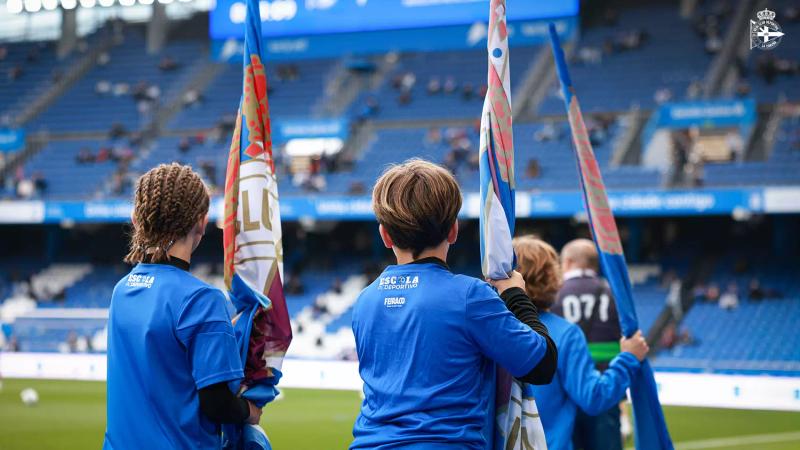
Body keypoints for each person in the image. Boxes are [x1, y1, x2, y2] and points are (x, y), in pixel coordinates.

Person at [350, 160, 557, 449]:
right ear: (453, 230)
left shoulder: (365, 301)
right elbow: (541, 365)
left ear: (385, 235)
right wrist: (515, 296)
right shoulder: (470, 296)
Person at [103, 164, 261, 450]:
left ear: (136, 220)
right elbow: (216, 404)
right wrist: (251, 412)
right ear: (202, 222)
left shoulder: (121, 291)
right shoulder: (202, 300)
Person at [514, 236, 648, 450]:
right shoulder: (564, 333)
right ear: (552, 276)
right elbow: (593, 397)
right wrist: (629, 359)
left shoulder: (484, 329)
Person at [553, 238, 627, 450]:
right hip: (607, 386)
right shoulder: (615, 293)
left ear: (567, 262)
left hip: (568, 388)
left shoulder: (555, 292)